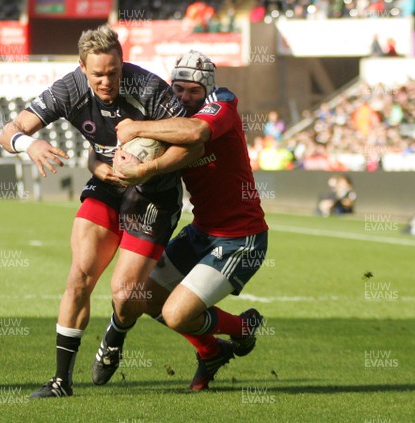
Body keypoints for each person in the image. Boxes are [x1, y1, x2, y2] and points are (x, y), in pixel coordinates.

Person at [0, 24, 199, 398]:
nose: (107, 81)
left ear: (123, 63)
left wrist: (147, 168)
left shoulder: (148, 88)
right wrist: (29, 144)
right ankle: (61, 381)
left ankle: (116, 334)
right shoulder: (69, 89)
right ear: (82, 67)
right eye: (98, 74)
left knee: (124, 295)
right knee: (79, 277)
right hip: (107, 186)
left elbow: (194, 139)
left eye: (114, 72)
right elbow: (8, 130)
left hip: (154, 197)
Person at [91, 50, 269, 391]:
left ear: (207, 90)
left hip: (240, 239)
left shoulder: (222, 104)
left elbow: (196, 132)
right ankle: (212, 351)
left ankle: (241, 328)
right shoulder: (168, 113)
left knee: (176, 314)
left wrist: (137, 130)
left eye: (193, 91)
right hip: (201, 232)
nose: (184, 96)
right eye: (179, 89)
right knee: (139, 294)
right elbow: (106, 141)